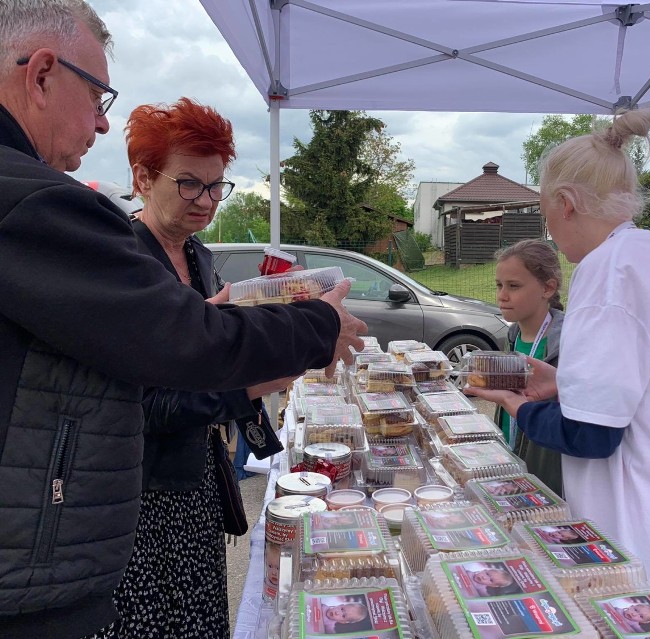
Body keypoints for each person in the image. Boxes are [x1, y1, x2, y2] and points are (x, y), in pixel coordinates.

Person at [0, 2, 366, 637]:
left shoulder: (198, 257)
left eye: (215, 186)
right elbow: (169, 364)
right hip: (117, 515)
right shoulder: (53, 210)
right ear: (39, 75)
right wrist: (298, 341)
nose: (101, 124)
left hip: (181, 494)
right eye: (96, 96)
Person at [466, 110, 650, 617]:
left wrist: (516, 406)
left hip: (639, 534)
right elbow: (648, 388)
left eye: (545, 214)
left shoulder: (609, 270)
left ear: (565, 204)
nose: (550, 230)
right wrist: (566, 383)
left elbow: (590, 434)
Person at [85, 97, 288, 639]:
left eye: (217, 184)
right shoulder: (122, 260)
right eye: (190, 184)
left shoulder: (197, 255)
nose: (207, 200)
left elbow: (203, 358)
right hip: (137, 497)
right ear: (143, 177)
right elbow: (142, 402)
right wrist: (251, 383)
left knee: (201, 614)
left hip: (195, 480)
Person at [493, 239, 565, 496]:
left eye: (514, 286)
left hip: (547, 483)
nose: (502, 295)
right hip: (510, 471)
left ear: (547, 288)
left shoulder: (568, 344)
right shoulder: (512, 337)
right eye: (499, 285)